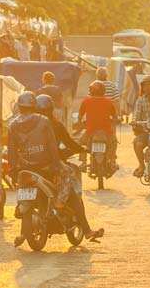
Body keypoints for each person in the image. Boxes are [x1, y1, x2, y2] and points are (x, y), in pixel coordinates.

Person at [9, 92, 103, 245]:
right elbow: (52, 146)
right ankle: (63, 206)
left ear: (19, 107)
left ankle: (22, 219)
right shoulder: (44, 121)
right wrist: (55, 168)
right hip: (46, 165)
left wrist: (13, 172)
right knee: (67, 176)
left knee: (24, 190)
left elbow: (12, 151)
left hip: (25, 168)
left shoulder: (13, 125)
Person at [77, 80, 119, 172]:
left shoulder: (86, 100)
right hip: (106, 131)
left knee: (80, 144)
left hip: (90, 131)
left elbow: (80, 116)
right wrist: (116, 120)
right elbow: (115, 116)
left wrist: (79, 122)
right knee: (114, 142)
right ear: (103, 91)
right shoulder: (108, 101)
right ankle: (112, 161)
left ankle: (83, 162)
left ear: (91, 91)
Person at [36, 94, 83, 159]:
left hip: (32, 160)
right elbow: (68, 142)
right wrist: (81, 149)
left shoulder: (27, 123)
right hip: (52, 158)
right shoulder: (56, 124)